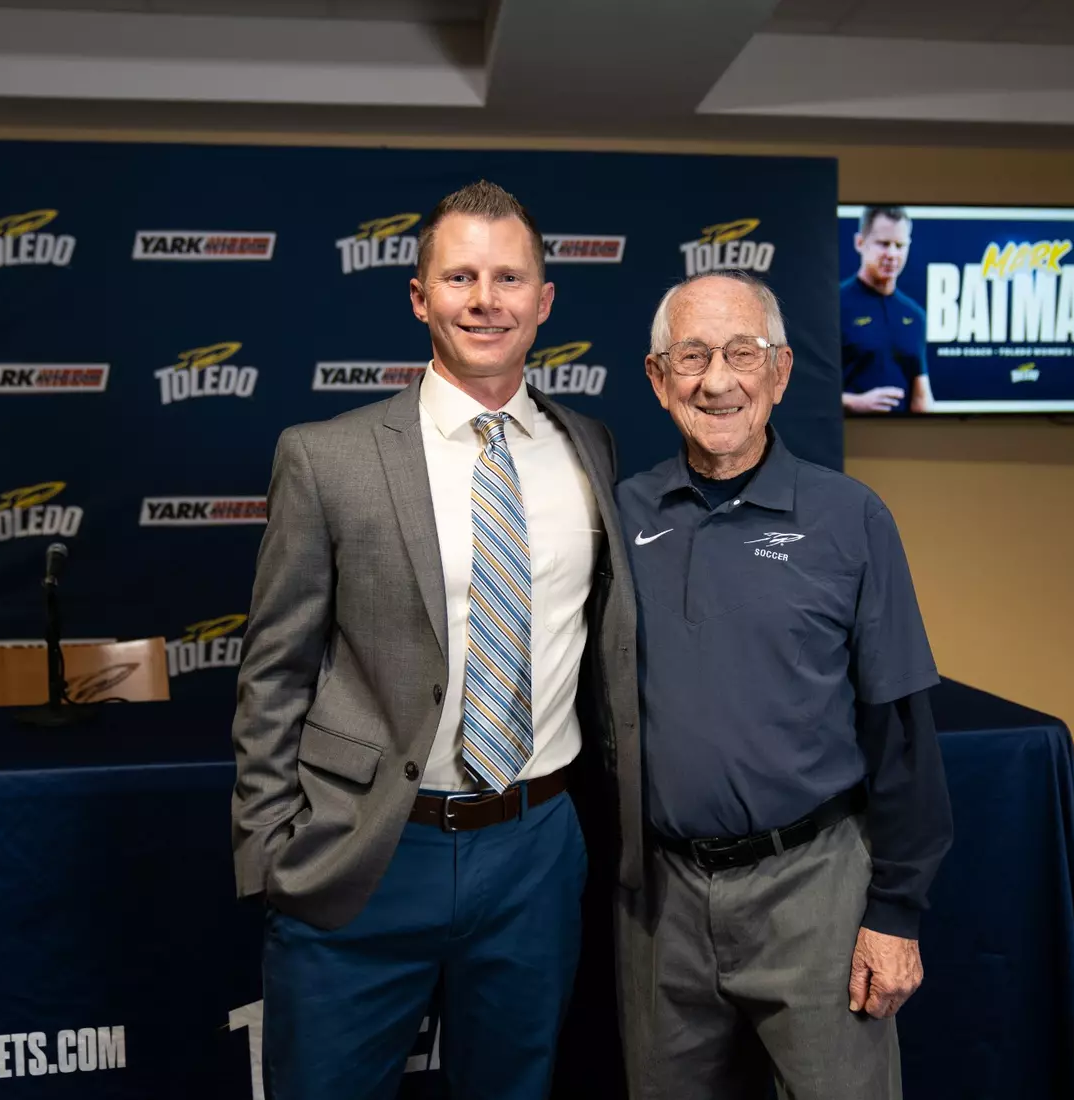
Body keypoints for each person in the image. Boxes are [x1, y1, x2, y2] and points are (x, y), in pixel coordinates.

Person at [230, 179, 641, 1100]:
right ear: (421, 297)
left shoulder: (592, 447)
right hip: (368, 849)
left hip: (537, 848)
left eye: (508, 278)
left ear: (545, 301)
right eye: (459, 277)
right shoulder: (326, 455)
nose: (485, 300)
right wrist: (271, 849)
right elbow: (273, 671)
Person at [616, 270, 953, 1099]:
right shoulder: (620, 516)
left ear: (781, 371)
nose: (718, 380)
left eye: (742, 353)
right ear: (659, 380)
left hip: (815, 891)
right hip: (662, 903)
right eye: (691, 356)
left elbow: (901, 729)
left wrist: (895, 914)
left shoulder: (851, 518)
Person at [841, 206, 935, 415]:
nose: (892, 254)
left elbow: (921, 396)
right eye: (883, 244)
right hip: (845, 439)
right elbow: (807, 389)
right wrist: (855, 402)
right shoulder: (833, 305)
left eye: (900, 245)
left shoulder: (914, 314)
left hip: (902, 441)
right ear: (860, 242)